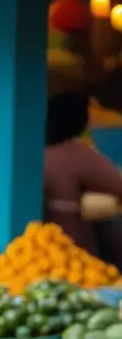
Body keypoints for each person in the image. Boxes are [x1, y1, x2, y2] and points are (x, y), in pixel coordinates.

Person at [44, 90, 122, 256]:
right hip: (68, 247)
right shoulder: (76, 153)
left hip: (32, 244)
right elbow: (117, 185)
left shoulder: (31, 148)